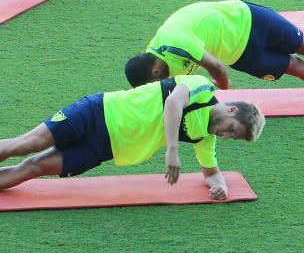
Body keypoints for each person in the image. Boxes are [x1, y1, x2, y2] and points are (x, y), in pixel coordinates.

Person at [0, 75, 264, 200]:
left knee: (33, 167)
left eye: (233, 138)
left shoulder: (203, 138)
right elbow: (173, 102)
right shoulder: (203, 88)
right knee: (27, 144)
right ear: (231, 110)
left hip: (104, 148)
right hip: (97, 112)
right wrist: (172, 149)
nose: (227, 135)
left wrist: (220, 186)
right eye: (232, 129)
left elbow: (211, 172)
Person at [124, 0, 304, 99]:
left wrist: (222, 91)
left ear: (156, 69)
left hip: (247, 19)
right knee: (297, 68)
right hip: (241, 54)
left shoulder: (174, 41)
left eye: (156, 83)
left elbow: (216, 69)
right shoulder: (155, 62)